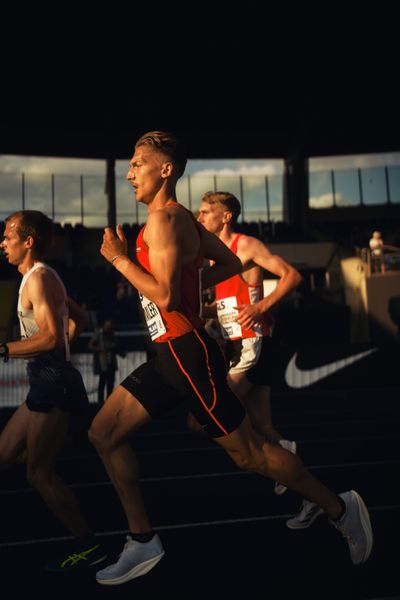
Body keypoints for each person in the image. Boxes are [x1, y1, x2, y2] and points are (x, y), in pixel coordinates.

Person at [88, 130, 373, 587]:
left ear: (166, 169)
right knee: (103, 433)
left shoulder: (163, 221)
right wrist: (190, 284)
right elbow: (226, 264)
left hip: (185, 354)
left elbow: (161, 292)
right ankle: (142, 541)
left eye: (138, 163)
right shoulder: (180, 221)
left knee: (252, 456)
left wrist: (119, 259)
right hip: (168, 356)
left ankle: (339, 507)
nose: (129, 172)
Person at [0, 210, 107, 572]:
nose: (2, 242)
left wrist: (4, 349)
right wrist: (65, 339)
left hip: (53, 382)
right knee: (4, 453)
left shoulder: (38, 279)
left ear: (28, 242)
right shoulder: (42, 276)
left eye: (8, 236)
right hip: (47, 378)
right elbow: (79, 318)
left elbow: (46, 336)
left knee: (38, 474)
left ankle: (90, 546)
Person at [190, 191, 301, 495]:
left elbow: (292, 276)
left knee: (202, 419)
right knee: (263, 424)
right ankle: (288, 461)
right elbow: (227, 304)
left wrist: (259, 308)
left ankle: (265, 459)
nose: (199, 218)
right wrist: (201, 310)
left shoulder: (246, 245)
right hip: (235, 344)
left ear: (225, 216)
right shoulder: (214, 254)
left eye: (204, 212)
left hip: (250, 344)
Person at [88, 318, 125, 404]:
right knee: (103, 382)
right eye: (107, 326)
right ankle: (100, 402)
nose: (108, 328)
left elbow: (116, 346)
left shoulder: (111, 333)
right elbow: (90, 345)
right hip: (103, 362)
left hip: (111, 361)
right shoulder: (99, 332)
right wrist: (100, 349)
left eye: (110, 326)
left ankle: (108, 402)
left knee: (110, 383)